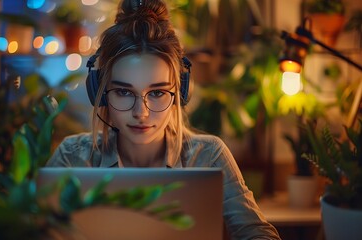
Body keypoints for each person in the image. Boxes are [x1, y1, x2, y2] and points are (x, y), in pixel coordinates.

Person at [47, 0, 281, 239]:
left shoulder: (208, 156)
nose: (142, 113)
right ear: (101, 92)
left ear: (180, 92)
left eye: (157, 93)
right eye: (124, 92)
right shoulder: (73, 157)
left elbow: (258, 234)